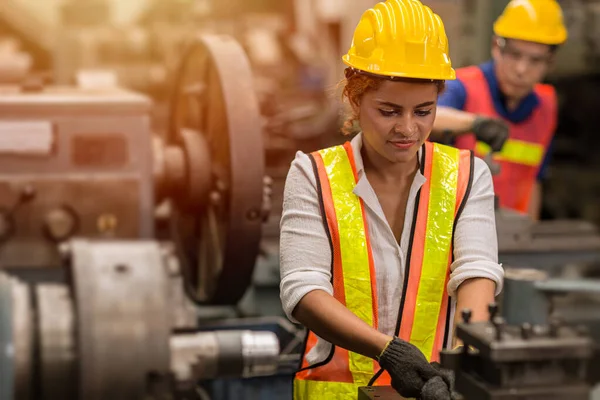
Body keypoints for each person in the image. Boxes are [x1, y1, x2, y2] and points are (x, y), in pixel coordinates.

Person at [279, 1, 504, 399]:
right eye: (388, 111)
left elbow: (476, 271)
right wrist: (387, 351)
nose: (407, 128)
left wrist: (465, 357)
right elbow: (303, 289)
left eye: (424, 111)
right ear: (354, 97)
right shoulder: (312, 175)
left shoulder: (468, 175)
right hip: (336, 393)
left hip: (433, 389)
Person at [431, 0, 568, 219]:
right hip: (456, 227)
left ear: (550, 62)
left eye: (535, 60)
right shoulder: (462, 86)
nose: (521, 70)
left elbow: (534, 180)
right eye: (515, 55)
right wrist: (474, 124)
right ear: (496, 46)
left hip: (512, 235)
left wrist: (528, 238)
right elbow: (427, 117)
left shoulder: (546, 106)